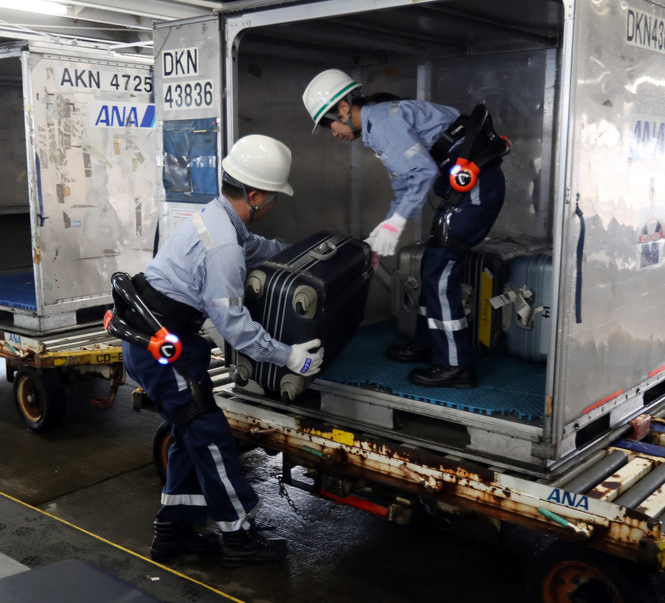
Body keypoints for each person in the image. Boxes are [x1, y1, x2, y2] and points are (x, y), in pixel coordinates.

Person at [121, 135, 324, 566]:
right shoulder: (223, 245)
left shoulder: (216, 218)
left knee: (189, 436)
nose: (272, 203)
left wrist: (308, 252)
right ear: (255, 195)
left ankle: (172, 533)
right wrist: (289, 356)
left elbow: (260, 249)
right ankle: (239, 538)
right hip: (162, 350)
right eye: (272, 195)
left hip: (161, 340)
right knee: (211, 437)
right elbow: (235, 327)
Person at [302, 69, 506, 388]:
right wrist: (385, 231)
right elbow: (404, 187)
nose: (333, 133)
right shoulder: (377, 128)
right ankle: (430, 345)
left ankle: (456, 365)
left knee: (439, 268)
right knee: (430, 265)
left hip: (476, 188)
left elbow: (423, 173)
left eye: (330, 124)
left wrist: (395, 224)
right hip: (463, 191)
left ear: (343, 108)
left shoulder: (384, 123)